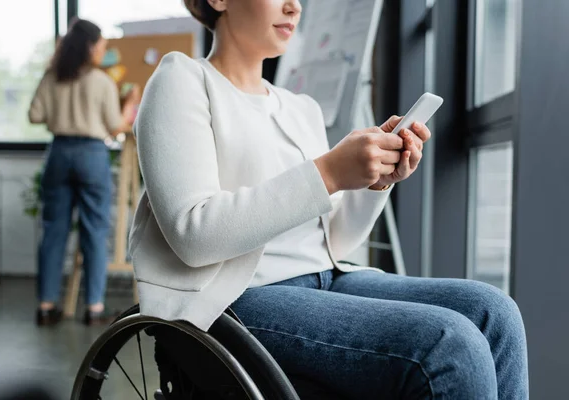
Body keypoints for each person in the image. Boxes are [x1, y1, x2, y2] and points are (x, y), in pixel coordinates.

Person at [129, 0, 528, 398]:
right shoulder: (182, 81)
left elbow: (333, 242)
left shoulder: (302, 108)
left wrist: (375, 183)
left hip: (326, 278)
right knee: (449, 345)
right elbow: (193, 235)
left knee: (495, 313)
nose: (294, 7)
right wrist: (330, 172)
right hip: (234, 298)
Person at [29, 18, 133, 326]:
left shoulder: (53, 76)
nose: (104, 50)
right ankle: (94, 309)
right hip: (91, 154)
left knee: (54, 232)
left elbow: (35, 115)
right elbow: (115, 126)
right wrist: (128, 107)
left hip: (59, 153)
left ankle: (46, 307)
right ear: (90, 46)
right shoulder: (100, 81)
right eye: (102, 45)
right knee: (94, 232)